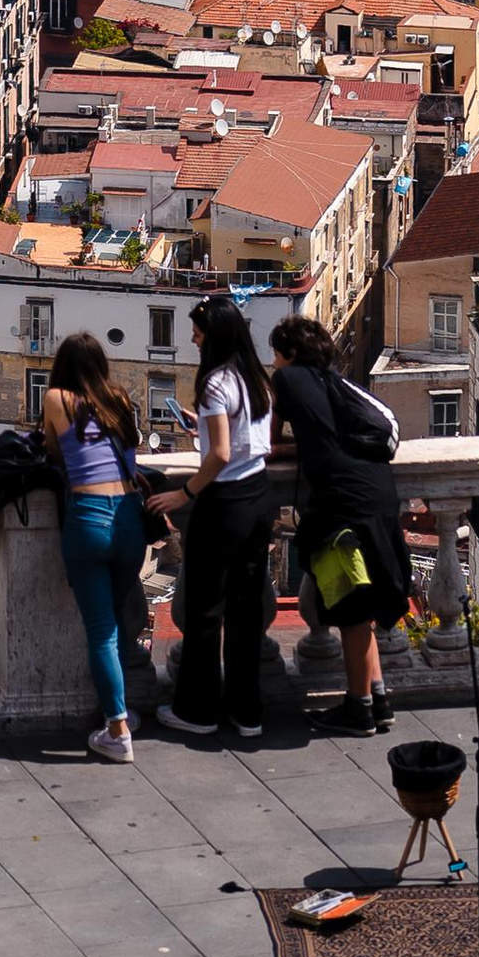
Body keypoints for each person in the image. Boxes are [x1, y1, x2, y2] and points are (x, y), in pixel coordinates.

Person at [267, 312, 407, 733]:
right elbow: (325, 441)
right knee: (362, 611)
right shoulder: (335, 384)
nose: (273, 363)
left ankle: (358, 708)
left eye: (275, 355)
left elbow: (272, 443)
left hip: (344, 507)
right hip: (378, 494)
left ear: (289, 354)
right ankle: (378, 699)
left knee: (350, 611)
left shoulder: (291, 381)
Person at [157, 295, 276, 745]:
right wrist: (202, 426)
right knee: (246, 611)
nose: (192, 337)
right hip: (260, 496)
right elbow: (246, 438)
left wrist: (184, 492)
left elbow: (222, 453)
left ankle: (198, 709)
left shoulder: (213, 385)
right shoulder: (256, 378)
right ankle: (248, 713)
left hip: (223, 502)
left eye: (198, 331)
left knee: (206, 609)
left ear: (215, 335)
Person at [43, 334, 152, 764]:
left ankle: (117, 727)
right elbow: (131, 452)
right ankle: (122, 710)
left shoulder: (56, 399)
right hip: (128, 520)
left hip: (88, 516)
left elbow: (53, 450)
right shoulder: (120, 399)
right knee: (120, 625)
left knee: (102, 631)